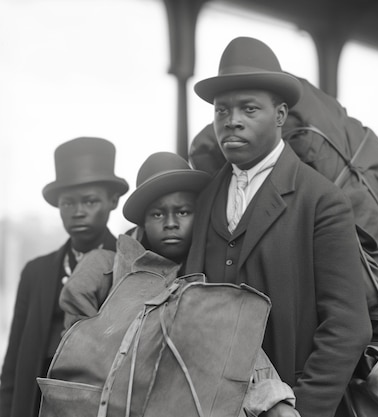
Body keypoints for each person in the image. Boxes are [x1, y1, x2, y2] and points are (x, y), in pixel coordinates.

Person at [184, 36, 372, 417]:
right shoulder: (204, 199)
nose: (232, 120)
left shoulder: (320, 201)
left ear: (281, 115)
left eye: (249, 109)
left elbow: (348, 326)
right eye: (221, 111)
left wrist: (302, 408)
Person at [59, 151, 300, 417]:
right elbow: (78, 359)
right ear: (143, 220)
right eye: (158, 215)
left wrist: (274, 399)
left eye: (183, 212)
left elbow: (240, 348)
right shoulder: (110, 270)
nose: (171, 223)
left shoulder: (214, 275)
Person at [0, 137, 128, 417]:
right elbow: (12, 366)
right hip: (37, 402)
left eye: (90, 201)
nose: (78, 212)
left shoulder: (129, 265)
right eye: (68, 203)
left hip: (102, 403)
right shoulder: (37, 272)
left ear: (113, 200)